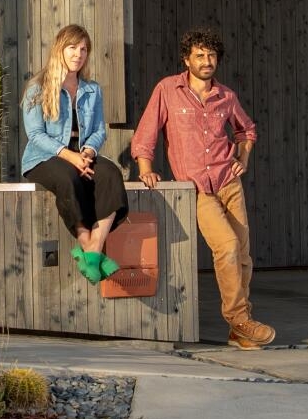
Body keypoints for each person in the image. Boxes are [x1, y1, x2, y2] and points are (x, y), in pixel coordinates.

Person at [132, 28, 272, 349]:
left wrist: (244, 157)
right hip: (197, 189)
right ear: (187, 59)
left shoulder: (227, 96)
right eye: (200, 55)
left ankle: (240, 331)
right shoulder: (168, 89)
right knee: (226, 246)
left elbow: (246, 130)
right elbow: (146, 132)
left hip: (228, 182)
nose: (206, 61)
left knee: (244, 255)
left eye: (211, 56)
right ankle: (239, 319)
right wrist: (146, 168)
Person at [20, 24, 128, 284]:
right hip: (44, 157)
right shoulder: (38, 88)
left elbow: (99, 131)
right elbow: (35, 135)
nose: (78, 54)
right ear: (60, 49)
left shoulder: (92, 90)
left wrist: (89, 152)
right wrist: (70, 157)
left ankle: (92, 250)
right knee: (68, 176)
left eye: (84, 49)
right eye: (73, 47)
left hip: (83, 154)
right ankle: (86, 241)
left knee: (111, 173)